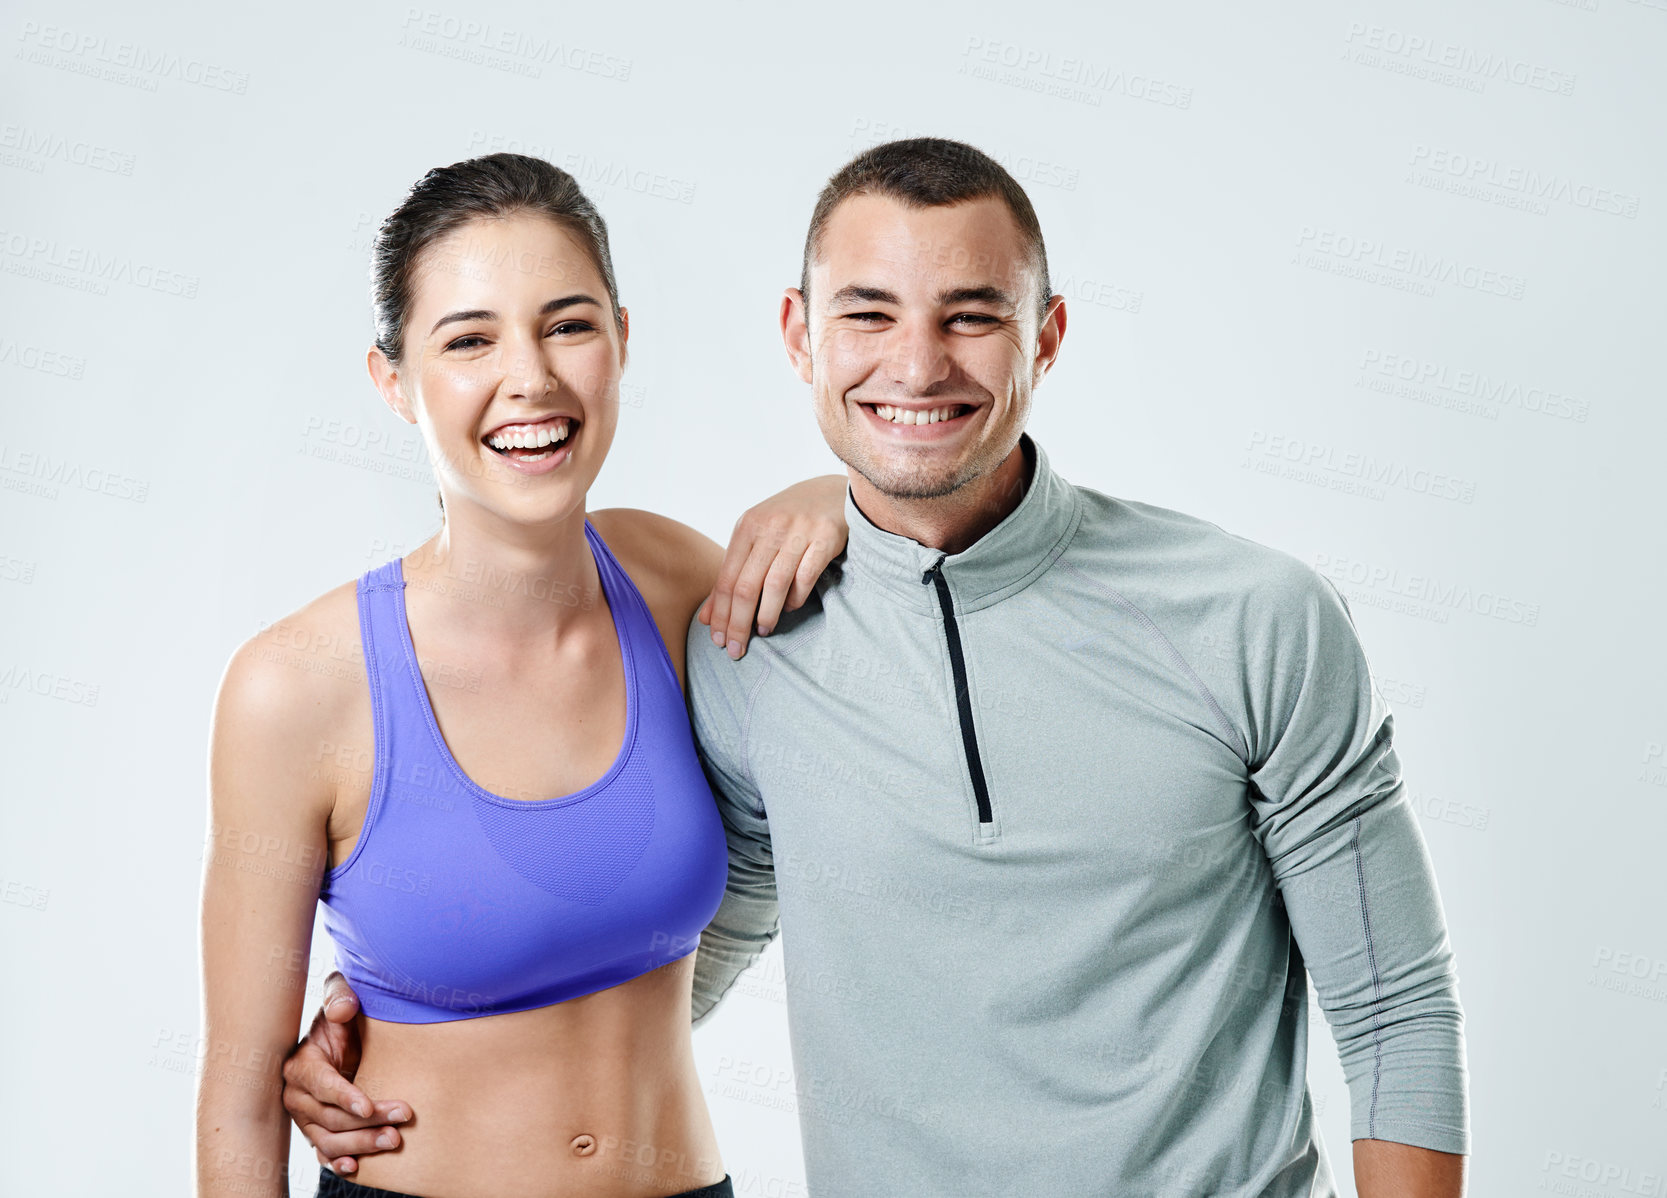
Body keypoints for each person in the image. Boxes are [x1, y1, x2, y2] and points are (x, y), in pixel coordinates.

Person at [283, 138, 1471, 1197]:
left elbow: (1392, 1010)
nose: (916, 365)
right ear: (799, 336)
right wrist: (418, 1029)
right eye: (866, 314)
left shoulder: (1253, 618)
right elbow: (696, 930)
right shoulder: (752, 632)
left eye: (970, 314)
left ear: (1043, 337)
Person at [195, 153, 851, 1198]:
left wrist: (830, 494)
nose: (531, 378)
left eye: (568, 324)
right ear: (394, 382)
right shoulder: (297, 687)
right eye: (468, 340)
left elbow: (863, 703)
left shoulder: (676, 578)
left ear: (621, 341)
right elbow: (238, 1099)